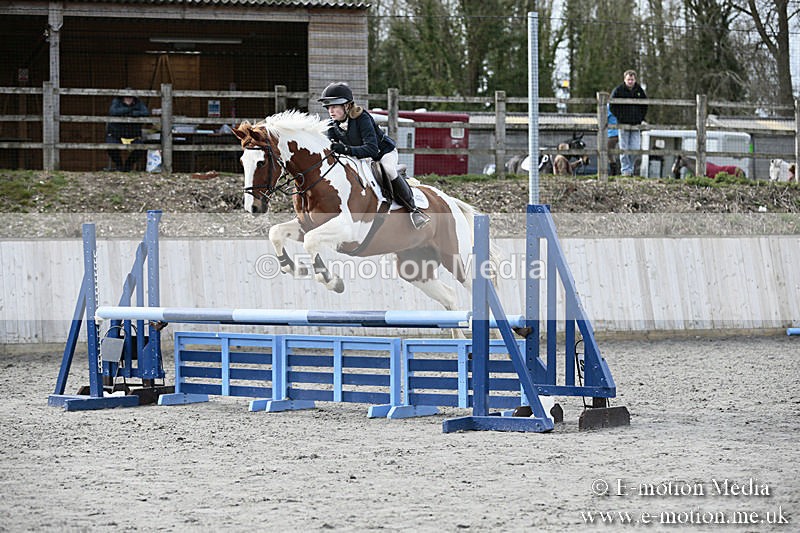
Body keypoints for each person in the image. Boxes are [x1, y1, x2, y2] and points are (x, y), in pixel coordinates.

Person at [318, 82, 430, 229]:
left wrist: (344, 149)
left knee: (388, 170)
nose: (330, 111)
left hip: (382, 153)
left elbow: (371, 149)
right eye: (328, 107)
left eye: (334, 107)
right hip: (360, 157)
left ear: (346, 106)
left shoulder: (362, 118)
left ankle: (414, 210)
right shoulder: (332, 125)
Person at [610, 70, 647, 176]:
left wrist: (640, 118)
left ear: (635, 80)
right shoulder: (618, 90)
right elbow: (612, 105)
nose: (630, 81)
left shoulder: (639, 91)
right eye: (628, 79)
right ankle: (625, 170)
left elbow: (645, 105)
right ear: (624, 79)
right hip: (623, 123)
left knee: (635, 148)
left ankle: (630, 167)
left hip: (636, 124)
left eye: (632, 79)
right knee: (624, 147)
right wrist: (620, 116)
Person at [106, 89, 149, 171]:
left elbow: (145, 112)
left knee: (141, 148)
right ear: (122, 97)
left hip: (133, 135)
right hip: (116, 134)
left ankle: (128, 165)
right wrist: (131, 109)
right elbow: (113, 112)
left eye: (131, 97)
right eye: (126, 97)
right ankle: (119, 164)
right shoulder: (116, 101)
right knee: (110, 146)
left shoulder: (139, 102)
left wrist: (130, 113)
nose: (128, 99)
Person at [607, 104, 620, 175]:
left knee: (608, 152)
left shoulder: (608, 107)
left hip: (612, 133)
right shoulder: (620, 106)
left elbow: (603, 119)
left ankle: (613, 171)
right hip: (621, 132)